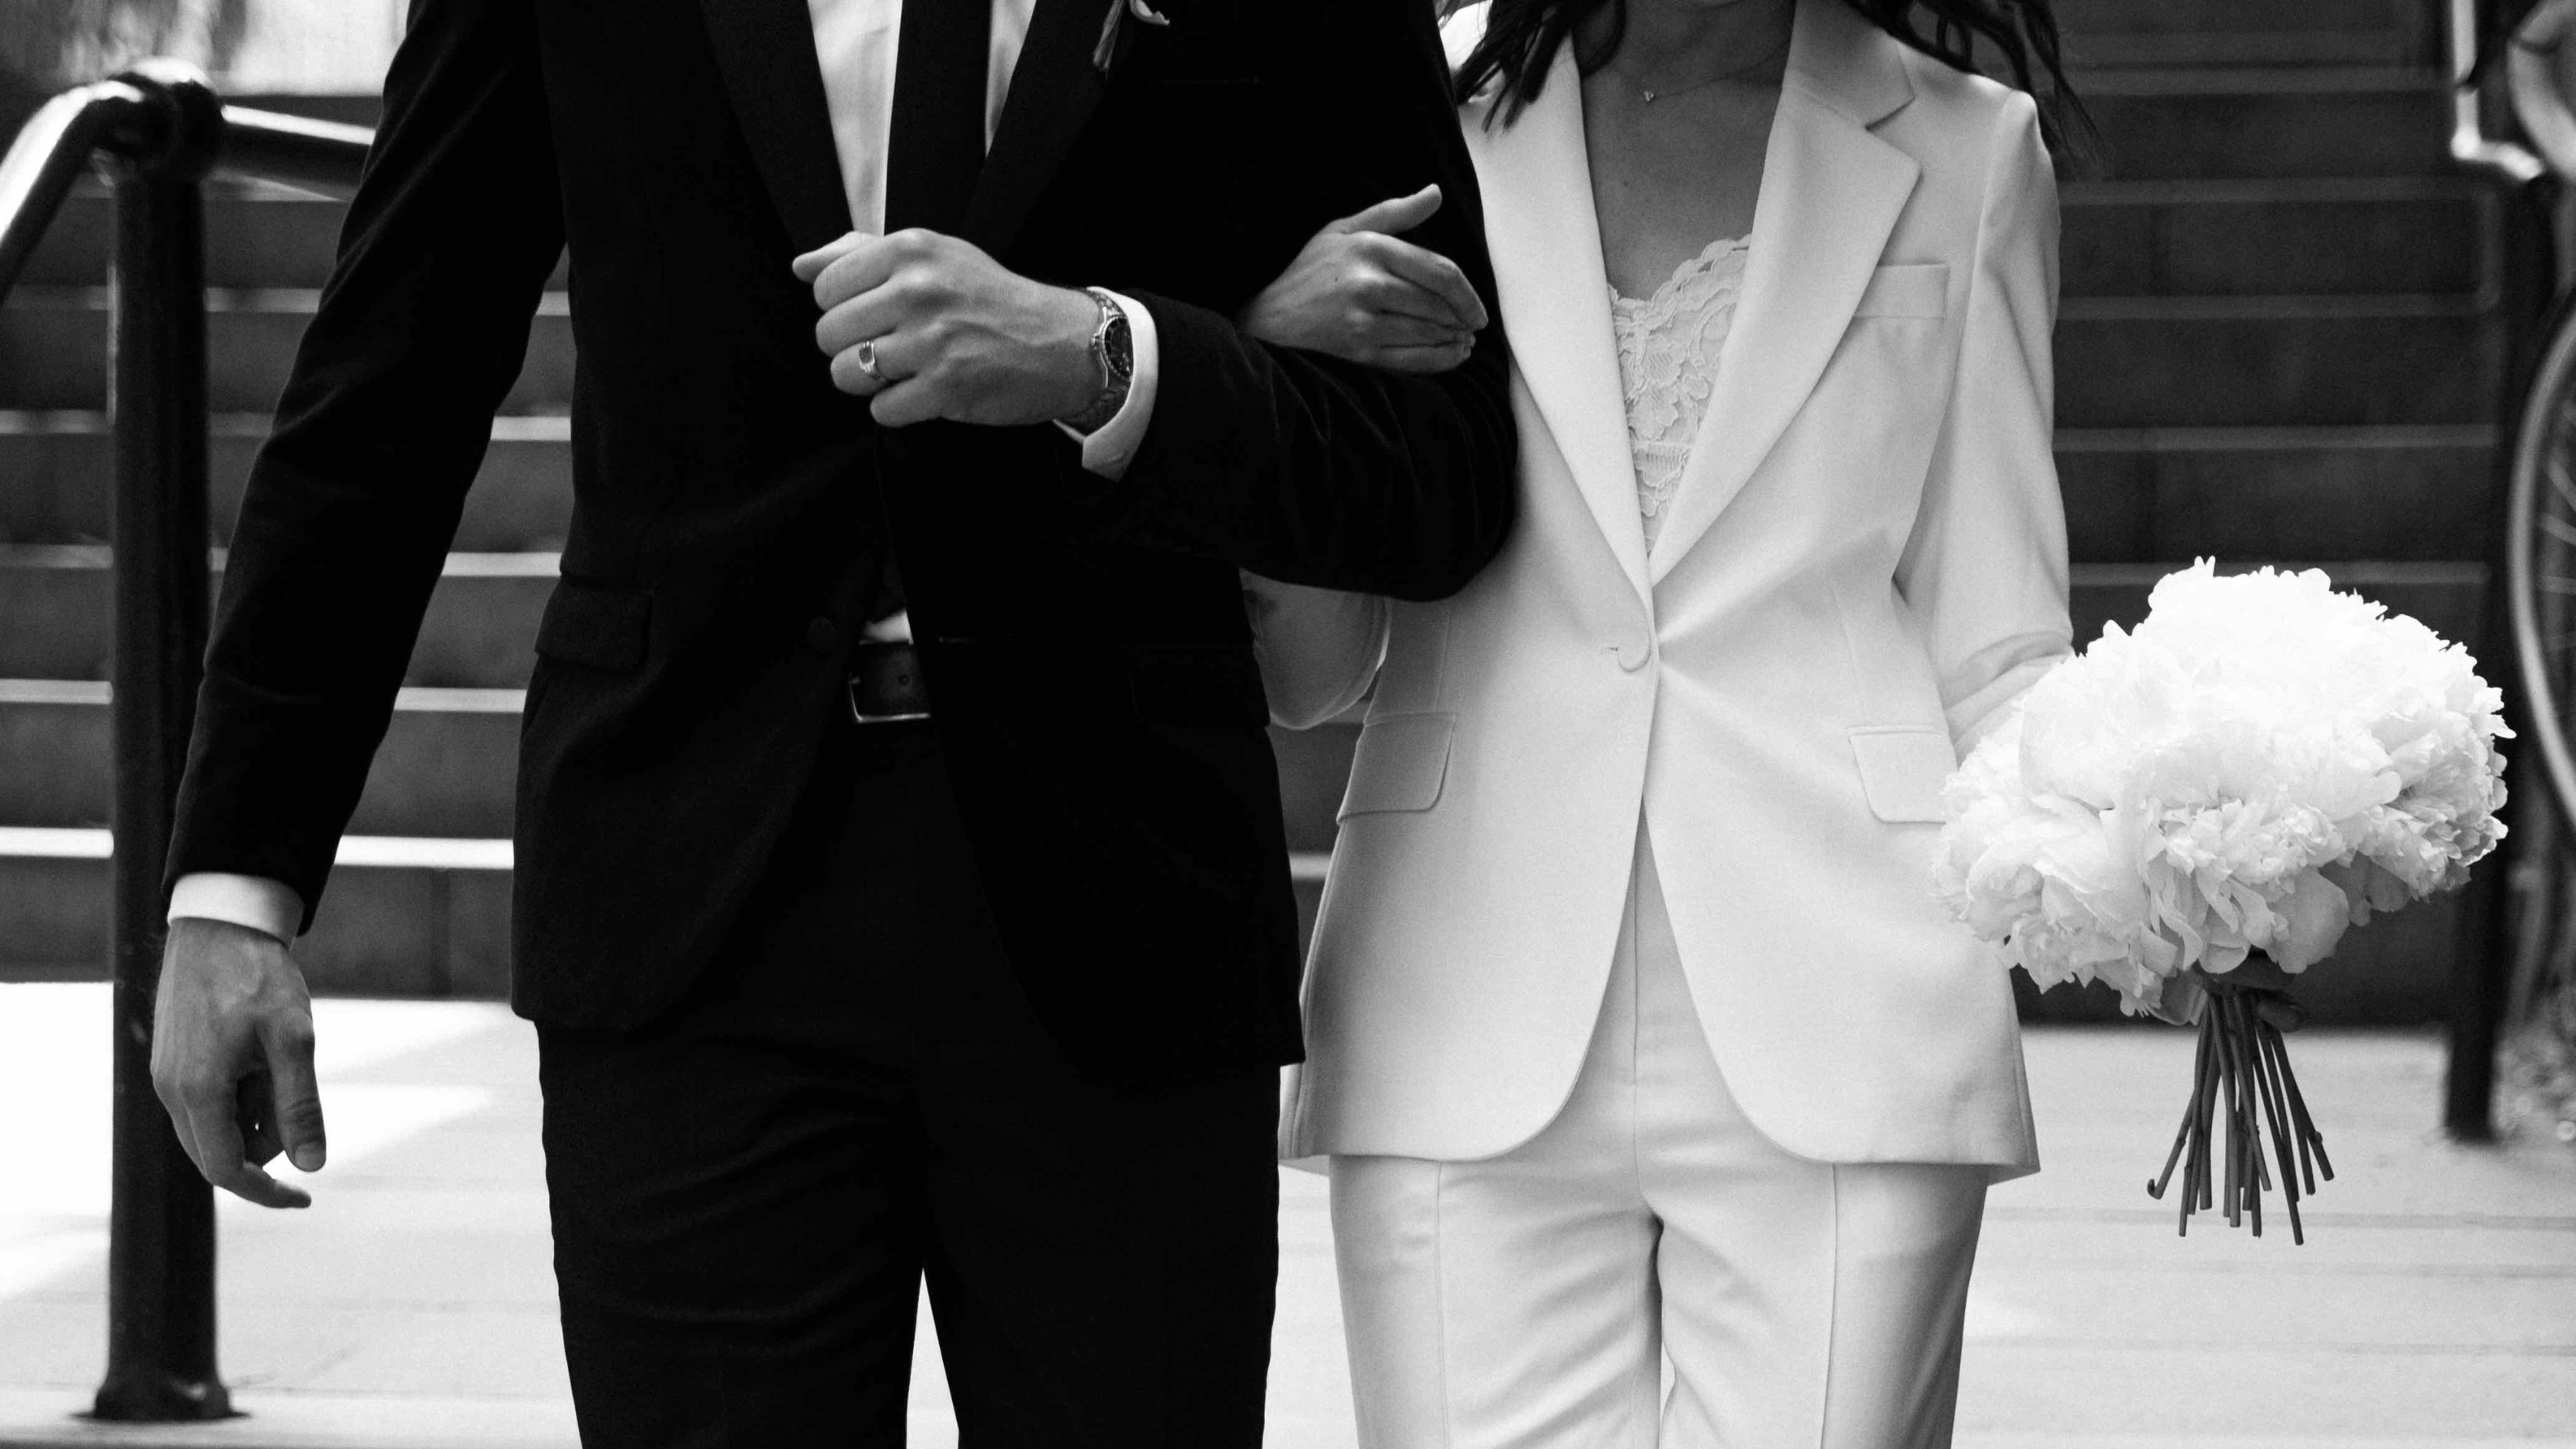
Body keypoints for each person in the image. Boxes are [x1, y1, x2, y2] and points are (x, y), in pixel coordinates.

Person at [142, 0, 1515, 1443]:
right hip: (690, 906)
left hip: (1126, 898)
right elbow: (390, 381)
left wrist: (1124, 359)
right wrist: (236, 883)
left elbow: (1446, 468)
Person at [1243, 0, 2082, 1442]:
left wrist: (2167, 870)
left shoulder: (1969, 143)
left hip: (1852, 1004)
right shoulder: (1392, 109)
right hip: (1461, 988)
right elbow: (1312, 668)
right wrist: (1264, 373)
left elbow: (1995, 635)